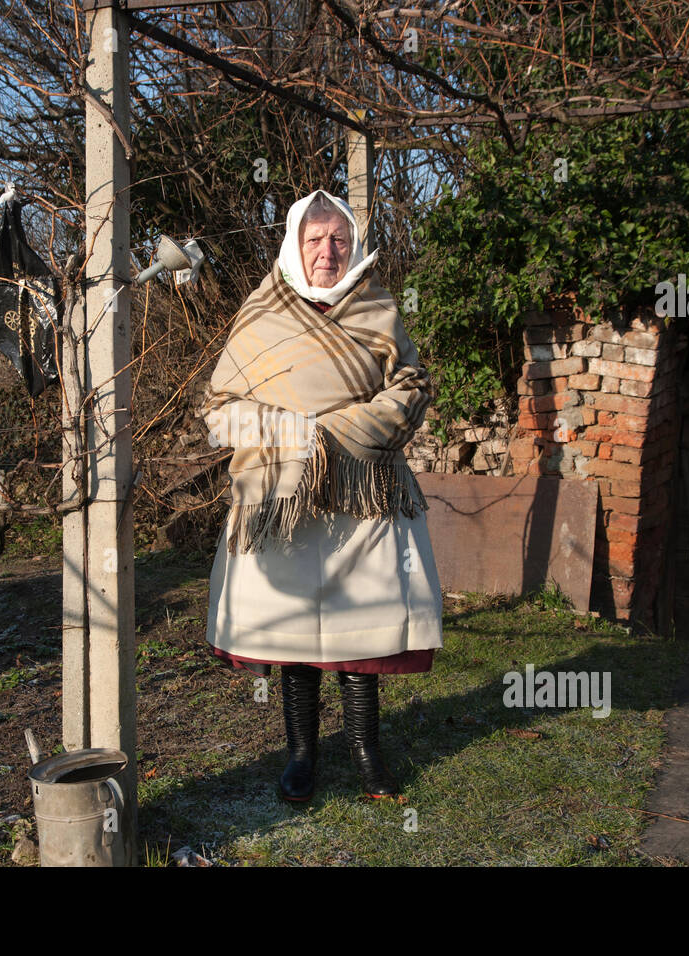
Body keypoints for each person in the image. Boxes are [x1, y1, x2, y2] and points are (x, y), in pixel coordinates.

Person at [198, 189, 444, 802]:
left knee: (360, 635)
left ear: (354, 243)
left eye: (338, 239)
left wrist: (340, 435)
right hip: (284, 499)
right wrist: (294, 438)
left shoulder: (379, 307)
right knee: (298, 642)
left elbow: (412, 387)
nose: (327, 252)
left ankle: (367, 754)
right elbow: (221, 410)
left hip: (363, 495)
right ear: (294, 245)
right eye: (314, 241)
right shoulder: (260, 315)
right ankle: (302, 757)